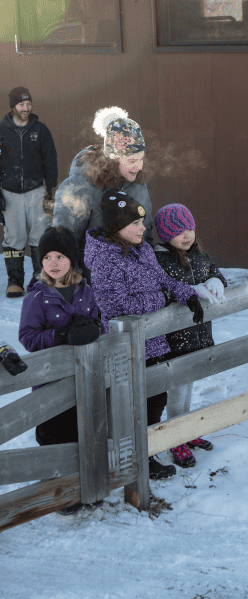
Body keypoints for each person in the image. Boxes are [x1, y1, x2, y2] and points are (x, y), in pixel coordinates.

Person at [84, 188, 204, 480]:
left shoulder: (142, 249)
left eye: (142, 222)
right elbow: (117, 306)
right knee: (133, 404)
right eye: (135, 224)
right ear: (117, 228)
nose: (143, 228)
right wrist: (162, 300)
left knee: (155, 398)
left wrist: (185, 293)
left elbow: (162, 278)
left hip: (153, 340)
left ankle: (148, 450)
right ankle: (137, 460)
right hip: (125, 345)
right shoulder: (105, 260)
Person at [18, 226, 103, 515]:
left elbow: (99, 322)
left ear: (73, 259)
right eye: (47, 257)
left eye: (60, 256)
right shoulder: (37, 297)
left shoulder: (85, 291)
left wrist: (92, 328)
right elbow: (28, 337)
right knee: (55, 435)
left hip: (84, 378)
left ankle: (87, 486)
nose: (53, 263)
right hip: (50, 384)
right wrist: (60, 335)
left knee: (83, 433)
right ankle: (59, 491)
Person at [153, 203, 227, 468]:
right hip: (175, 339)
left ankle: (185, 430)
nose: (187, 235)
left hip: (199, 335)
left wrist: (216, 281)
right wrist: (189, 291)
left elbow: (215, 273)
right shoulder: (159, 259)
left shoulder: (199, 254)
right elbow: (160, 291)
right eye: (178, 231)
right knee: (176, 390)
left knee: (189, 385)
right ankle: (176, 437)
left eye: (190, 229)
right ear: (164, 234)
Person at [52, 106, 154, 282]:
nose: (139, 167)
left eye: (141, 159)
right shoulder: (80, 185)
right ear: (113, 158)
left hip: (132, 284)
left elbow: (147, 236)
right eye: (131, 161)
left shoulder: (138, 184)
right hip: (91, 286)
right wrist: (76, 289)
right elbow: (63, 242)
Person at [1, 87, 58, 298]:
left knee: (39, 234)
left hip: (36, 190)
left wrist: (51, 191)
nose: (26, 108)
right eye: (21, 104)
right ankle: (14, 281)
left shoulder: (41, 130)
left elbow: (50, 162)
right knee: (14, 237)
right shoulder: (2, 131)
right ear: (13, 106)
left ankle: (40, 277)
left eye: (28, 104)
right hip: (9, 192)